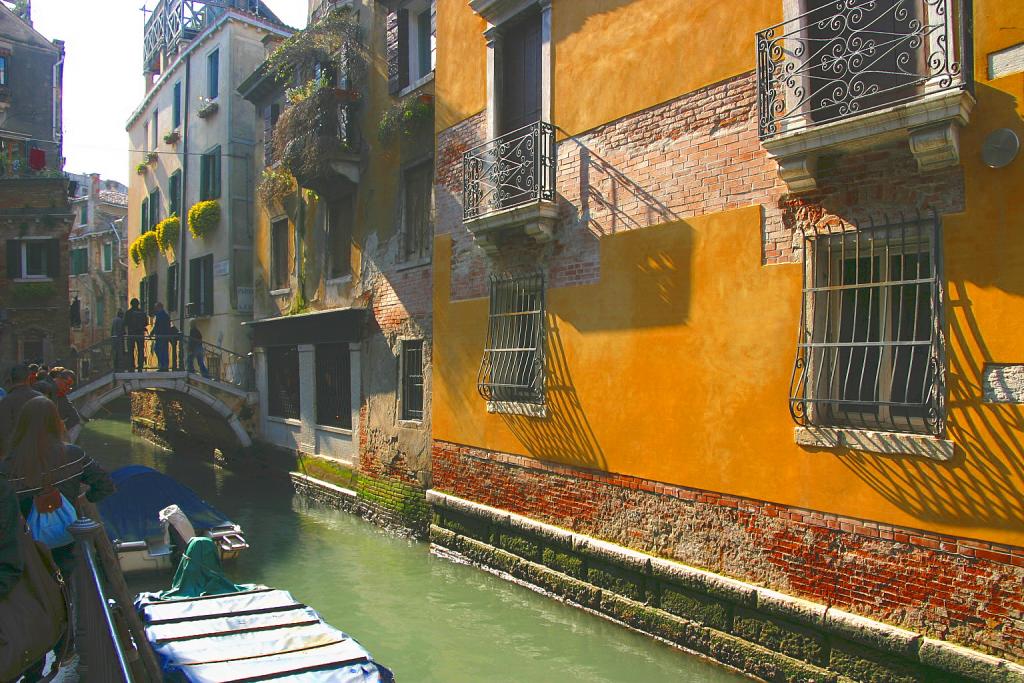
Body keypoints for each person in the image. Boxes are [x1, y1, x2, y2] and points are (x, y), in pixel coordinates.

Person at [3, 396, 114, 580]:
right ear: (56, 422)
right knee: (68, 582)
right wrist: (81, 500)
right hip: (67, 541)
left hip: (26, 549)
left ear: (22, 425)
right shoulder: (74, 455)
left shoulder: (6, 468)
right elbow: (105, 485)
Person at [0, 365, 42, 449]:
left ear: (11, 380)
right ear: (28, 378)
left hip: (16, 451)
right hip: (38, 450)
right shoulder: (41, 398)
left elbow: (4, 432)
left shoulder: (7, 401)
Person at [124, 298, 148, 372]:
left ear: (131, 304)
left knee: (131, 351)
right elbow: (146, 323)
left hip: (131, 334)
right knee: (140, 350)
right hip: (140, 334)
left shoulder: (128, 313)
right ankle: (140, 366)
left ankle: (131, 366)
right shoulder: (142, 312)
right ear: (138, 304)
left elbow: (125, 323)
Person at [152, 302, 172, 372]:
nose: (155, 309)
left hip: (160, 336)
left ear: (159, 307)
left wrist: (152, 333)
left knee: (159, 350)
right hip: (164, 335)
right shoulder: (166, 315)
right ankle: (164, 365)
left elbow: (157, 326)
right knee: (163, 350)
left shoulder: (159, 315)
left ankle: (163, 366)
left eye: (156, 307)